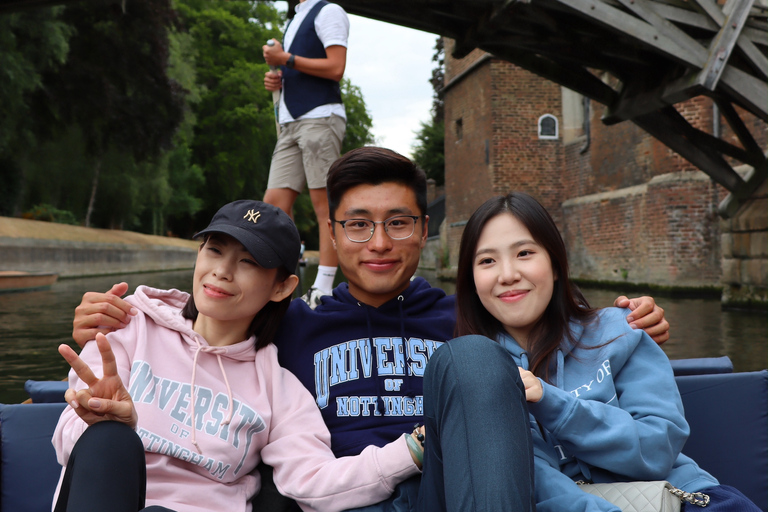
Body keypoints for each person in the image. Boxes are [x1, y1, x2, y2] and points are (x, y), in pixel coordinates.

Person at [70, 148, 670, 510]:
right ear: (332, 235)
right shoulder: (290, 324)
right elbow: (215, 324)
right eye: (357, 226)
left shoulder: (472, 312)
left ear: (424, 231)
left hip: (446, 492)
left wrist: (626, 322)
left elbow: (551, 320)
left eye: (399, 223)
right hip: (342, 501)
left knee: (476, 361)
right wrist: (121, 319)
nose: (379, 243)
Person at [53, 200, 424, 512]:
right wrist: (102, 421)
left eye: (247, 262)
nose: (221, 272)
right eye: (214, 250)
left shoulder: (279, 389)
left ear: (282, 287)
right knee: (109, 440)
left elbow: (316, 483)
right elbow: (67, 445)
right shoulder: (130, 325)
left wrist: (413, 449)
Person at [452, 191, 760, 512]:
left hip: (680, 498)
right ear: (471, 280)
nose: (507, 274)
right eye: (487, 260)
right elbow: (534, 479)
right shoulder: (479, 372)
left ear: (556, 265)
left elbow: (656, 451)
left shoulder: (621, 329)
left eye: (525, 253)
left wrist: (550, 402)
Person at [262, 0, 349, 307]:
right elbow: (298, 67)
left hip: (319, 117)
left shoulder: (328, 11)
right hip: (289, 123)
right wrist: (278, 78)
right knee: (274, 206)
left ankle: (322, 289)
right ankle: (277, 282)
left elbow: (336, 67)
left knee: (323, 205)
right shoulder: (296, 18)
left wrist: (285, 58)